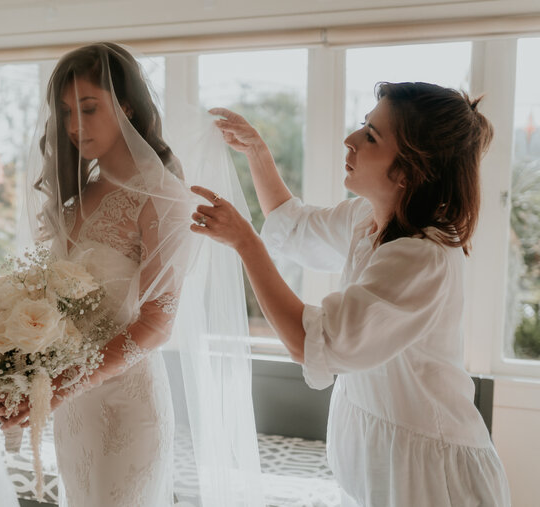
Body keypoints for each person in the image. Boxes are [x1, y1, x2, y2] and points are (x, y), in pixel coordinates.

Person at [192, 82, 511, 506]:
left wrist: (246, 244)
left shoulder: (422, 258)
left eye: (371, 136)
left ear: (411, 170)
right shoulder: (369, 220)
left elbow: (310, 342)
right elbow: (297, 225)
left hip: (430, 475)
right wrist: (257, 153)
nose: (351, 140)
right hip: (383, 454)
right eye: (364, 125)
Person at [0, 42, 197, 507]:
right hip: (71, 409)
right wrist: (16, 377)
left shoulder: (162, 198)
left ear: (126, 107)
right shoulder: (74, 201)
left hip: (127, 403)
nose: (74, 126)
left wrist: (64, 386)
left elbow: (157, 323)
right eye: (66, 112)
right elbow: (48, 310)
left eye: (88, 108)